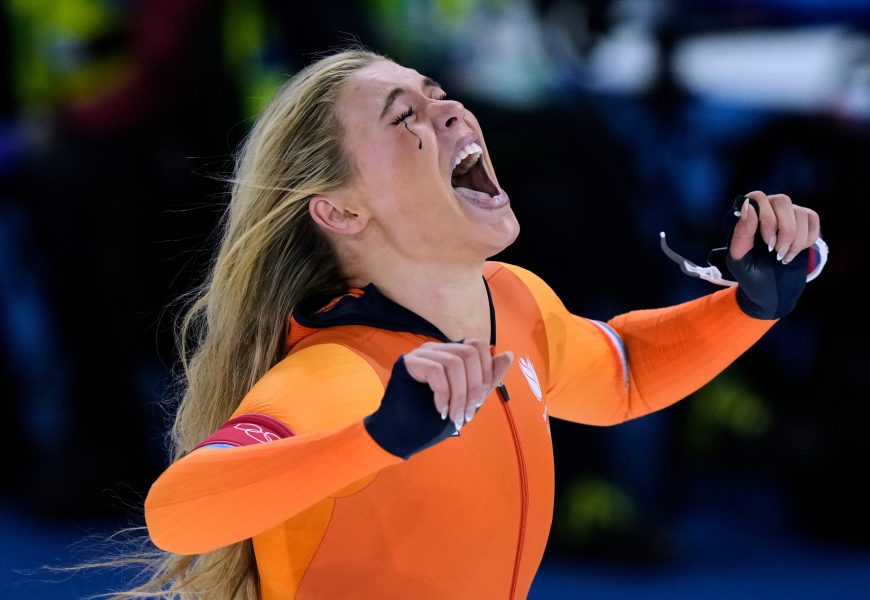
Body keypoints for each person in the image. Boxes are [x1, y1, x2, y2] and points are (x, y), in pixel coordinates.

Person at [135, 47, 823, 599]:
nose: (451, 110)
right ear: (341, 210)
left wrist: (750, 305)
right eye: (404, 117)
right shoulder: (342, 375)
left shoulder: (513, 301)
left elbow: (623, 371)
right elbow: (178, 514)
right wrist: (377, 437)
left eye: (437, 93)